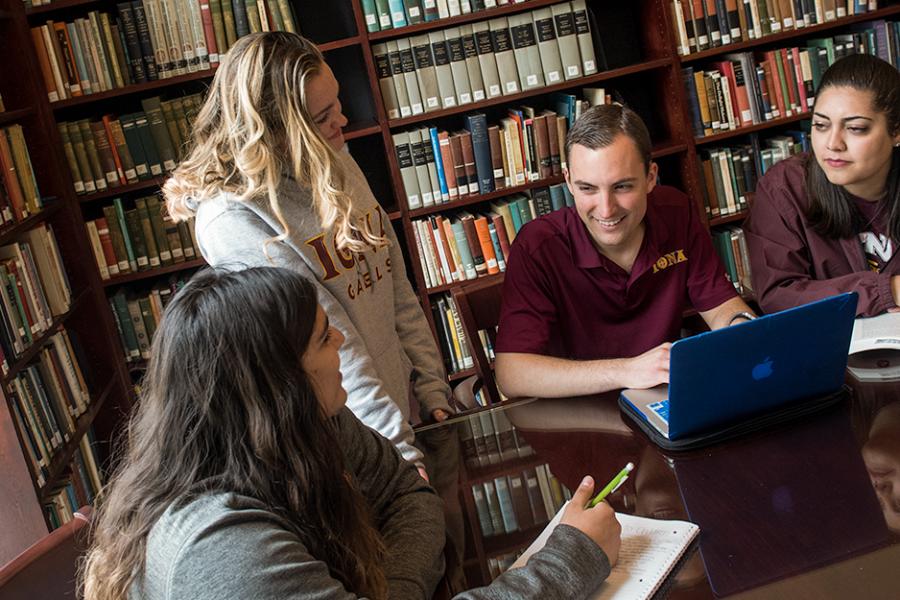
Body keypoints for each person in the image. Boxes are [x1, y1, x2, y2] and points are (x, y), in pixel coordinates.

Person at [80, 267, 623, 600]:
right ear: (280, 383)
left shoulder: (309, 421)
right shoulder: (220, 549)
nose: (341, 338)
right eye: (322, 338)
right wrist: (569, 556)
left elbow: (408, 494)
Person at [163, 33, 452, 491]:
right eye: (322, 117)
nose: (343, 120)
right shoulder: (233, 218)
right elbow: (331, 338)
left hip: (398, 420)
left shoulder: (331, 155)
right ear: (275, 132)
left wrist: (431, 388)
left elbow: (395, 285)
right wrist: (400, 452)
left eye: (336, 103)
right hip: (345, 450)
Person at [495, 104, 755, 399]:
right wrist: (628, 370)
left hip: (661, 402)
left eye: (621, 187)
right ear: (568, 181)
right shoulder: (536, 247)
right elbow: (511, 374)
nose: (606, 209)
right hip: (577, 415)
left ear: (650, 177)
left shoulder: (676, 211)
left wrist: (743, 328)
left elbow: (720, 305)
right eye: (587, 189)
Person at [743, 54, 900, 317]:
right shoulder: (784, 188)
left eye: (856, 128)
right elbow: (778, 295)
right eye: (821, 125)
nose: (833, 144)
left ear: (896, 132)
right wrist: (889, 289)